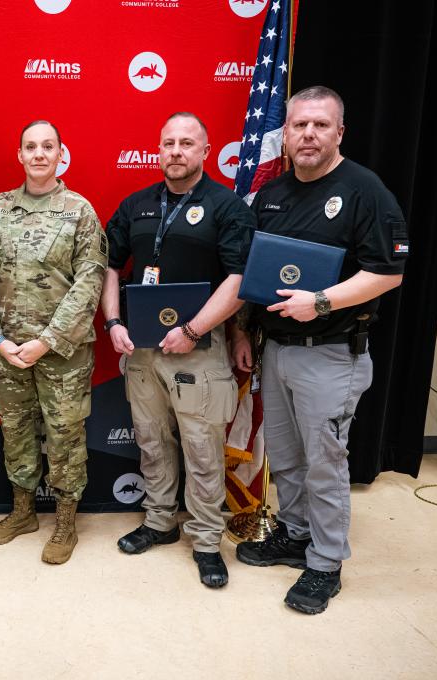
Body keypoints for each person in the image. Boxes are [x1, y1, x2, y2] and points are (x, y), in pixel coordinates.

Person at [235, 86, 407, 615]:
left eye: (320, 125)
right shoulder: (272, 194)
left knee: (324, 464)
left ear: (339, 132)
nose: (308, 134)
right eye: (299, 125)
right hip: (276, 348)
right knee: (287, 458)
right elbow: (255, 273)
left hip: (331, 352)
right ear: (285, 134)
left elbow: (389, 273)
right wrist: (244, 331)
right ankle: (295, 535)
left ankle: (326, 563)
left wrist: (322, 301)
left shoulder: (364, 190)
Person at [101, 112, 255, 588]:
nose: (176, 151)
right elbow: (109, 265)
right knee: (151, 440)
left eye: (187, 143)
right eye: (168, 143)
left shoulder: (227, 207)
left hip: (199, 347)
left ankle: (207, 540)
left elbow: (240, 280)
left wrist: (192, 329)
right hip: (142, 349)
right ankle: (159, 521)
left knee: (202, 448)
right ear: (158, 149)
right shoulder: (137, 204)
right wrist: (113, 321)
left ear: (206, 151)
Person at [0, 121, 106, 564]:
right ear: (20, 154)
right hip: (6, 351)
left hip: (62, 353)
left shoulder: (79, 211)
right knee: (15, 432)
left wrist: (47, 341)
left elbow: (89, 283)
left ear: (60, 154)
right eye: (31, 146)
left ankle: (65, 523)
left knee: (65, 436)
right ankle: (23, 512)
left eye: (48, 146)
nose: (39, 154)